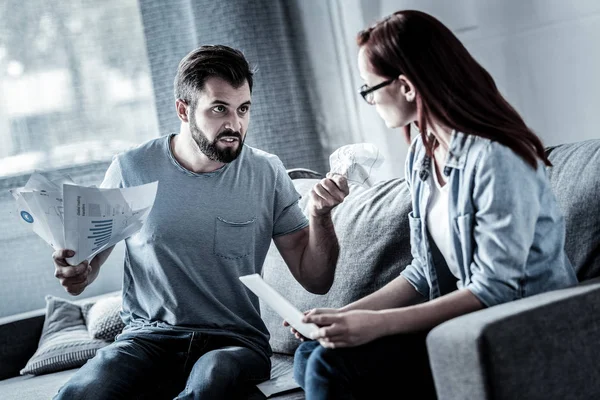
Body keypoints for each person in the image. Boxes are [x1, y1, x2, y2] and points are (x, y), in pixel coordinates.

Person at [291, 10, 578, 400]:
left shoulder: (496, 159)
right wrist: (343, 317)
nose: (369, 101)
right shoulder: (422, 156)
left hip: (524, 325)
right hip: (474, 321)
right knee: (311, 352)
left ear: (406, 87)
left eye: (369, 88)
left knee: (328, 364)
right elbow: (425, 271)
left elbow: (495, 289)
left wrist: (379, 325)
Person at [51, 44, 349, 400]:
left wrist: (320, 216)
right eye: (219, 109)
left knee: (212, 377)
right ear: (183, 109)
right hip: (148, 338)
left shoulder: (267, 172)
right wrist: (78, 271)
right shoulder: (131, 169)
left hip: (235, 344)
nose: (235, 125)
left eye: (243, 109)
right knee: (82, 392)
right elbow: (91, 262)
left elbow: (316, 278)